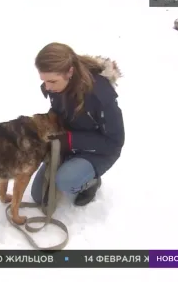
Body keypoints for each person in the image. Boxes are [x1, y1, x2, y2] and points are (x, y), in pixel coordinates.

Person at [31, 42, 125, 207]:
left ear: (70, 72)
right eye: (44, 81)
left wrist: (69, 140)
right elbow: (58, 112)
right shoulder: (56, 87)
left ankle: (91, 182)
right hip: (67, 143)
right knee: (39, 197)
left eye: (52, 81)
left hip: (99, 150)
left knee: (67, 181)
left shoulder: (100, 95)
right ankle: (70, 166)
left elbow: (114, 142)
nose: (47, 87)